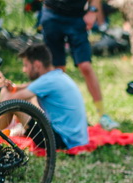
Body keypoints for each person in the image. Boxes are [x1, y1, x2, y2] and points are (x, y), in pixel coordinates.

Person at [40, 0, 119, 131]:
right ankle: (62, 116)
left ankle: (102, 115)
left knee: (85, 66)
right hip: (52, 14)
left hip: (76, 17)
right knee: (58, 71)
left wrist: (92, 11)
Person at [0, 43, 88, 150]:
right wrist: (10, 86)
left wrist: (1, 87)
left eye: (26, 65)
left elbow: (6, 101)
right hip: (75, 139)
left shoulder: (47, 81)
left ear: (37, 65)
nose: (24, 70)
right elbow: (26, 87)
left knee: (14, 105)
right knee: (22, 100)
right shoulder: (55, 76)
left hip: (62, 141)